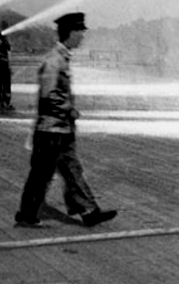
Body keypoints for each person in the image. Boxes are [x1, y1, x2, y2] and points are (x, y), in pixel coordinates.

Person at [15, 12, 116, 229]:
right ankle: (26, 214)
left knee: (72, 170)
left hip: (61, 129)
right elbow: (48, 94)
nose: (82, 36)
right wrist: (68, 109)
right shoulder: (54, 60)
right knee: (42, 174)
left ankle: (89, 211)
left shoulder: (63, 58)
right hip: (51, 129)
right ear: (70, 33)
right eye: (80, 32)